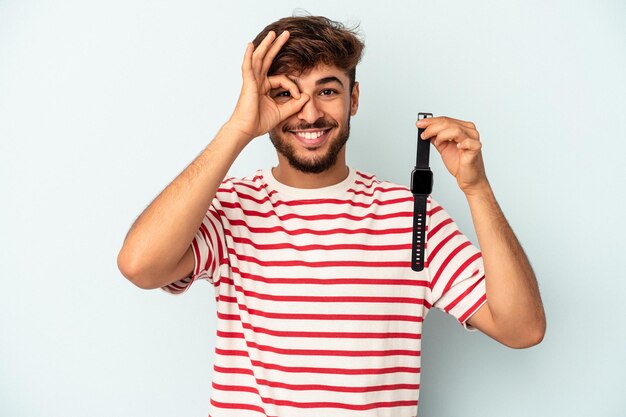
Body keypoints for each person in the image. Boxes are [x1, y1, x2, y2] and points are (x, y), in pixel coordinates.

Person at [117, 15, 546, 417]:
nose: (308, 114)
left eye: (327, 90)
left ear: (353, 99)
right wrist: (238, 129)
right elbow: (140, 266)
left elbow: (521, 329)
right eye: (285, 94)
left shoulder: (410, 214)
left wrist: (476, 188)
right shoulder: (231, 207)